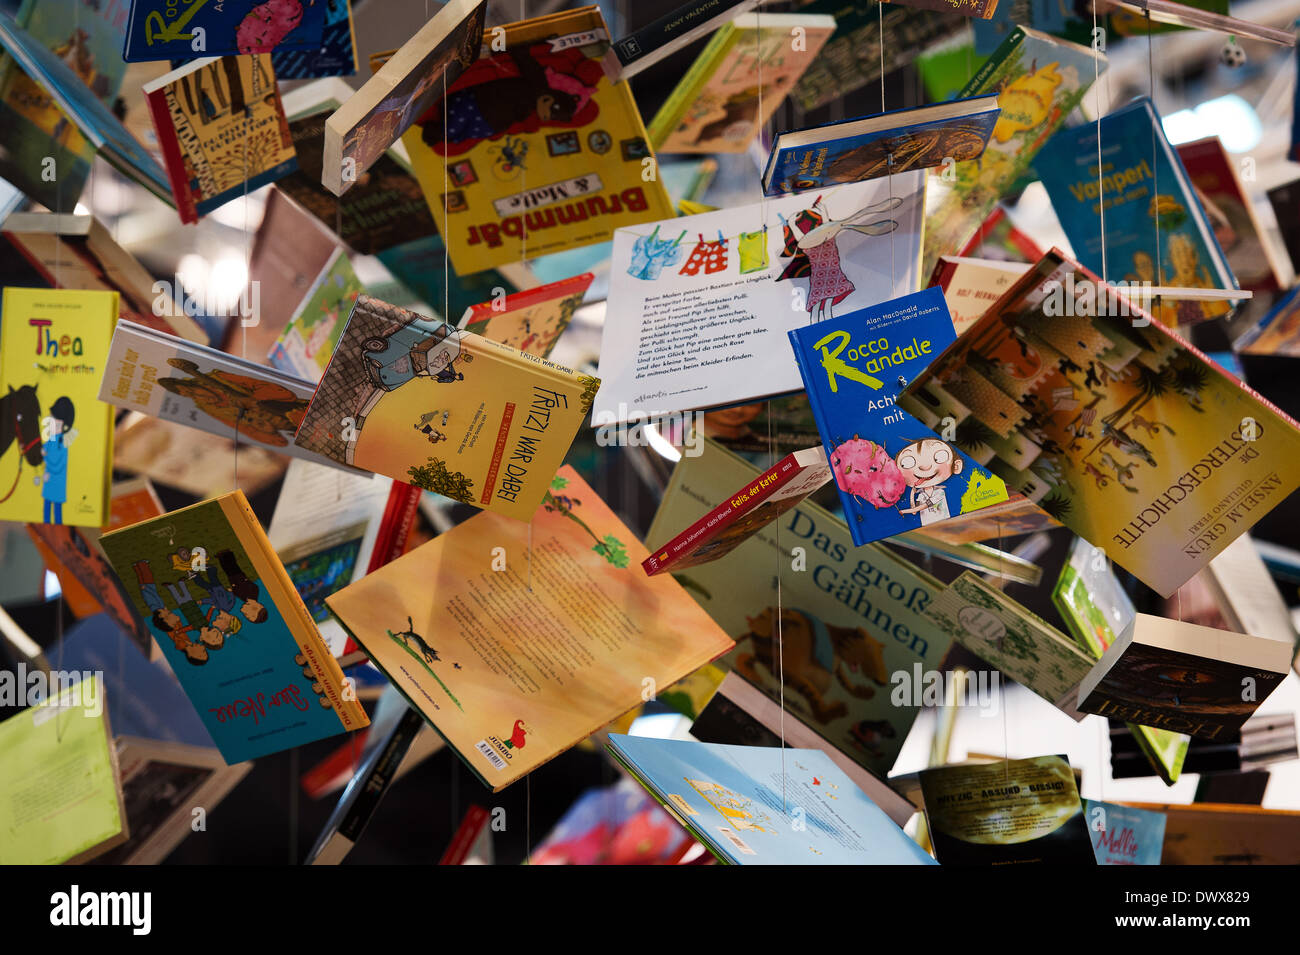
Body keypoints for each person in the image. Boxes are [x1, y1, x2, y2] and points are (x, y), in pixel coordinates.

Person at [38, 396, 76, 524]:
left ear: (62, 423)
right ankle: (47, 525)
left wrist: (46, 457)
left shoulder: (63, 442)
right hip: (48, 481)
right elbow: (45, 447)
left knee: (58, 513)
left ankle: (58, 527)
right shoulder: (53, 438)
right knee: (46, 510)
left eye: (54, 420)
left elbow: (58, 464)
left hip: (57, 481)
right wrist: (41, 450)